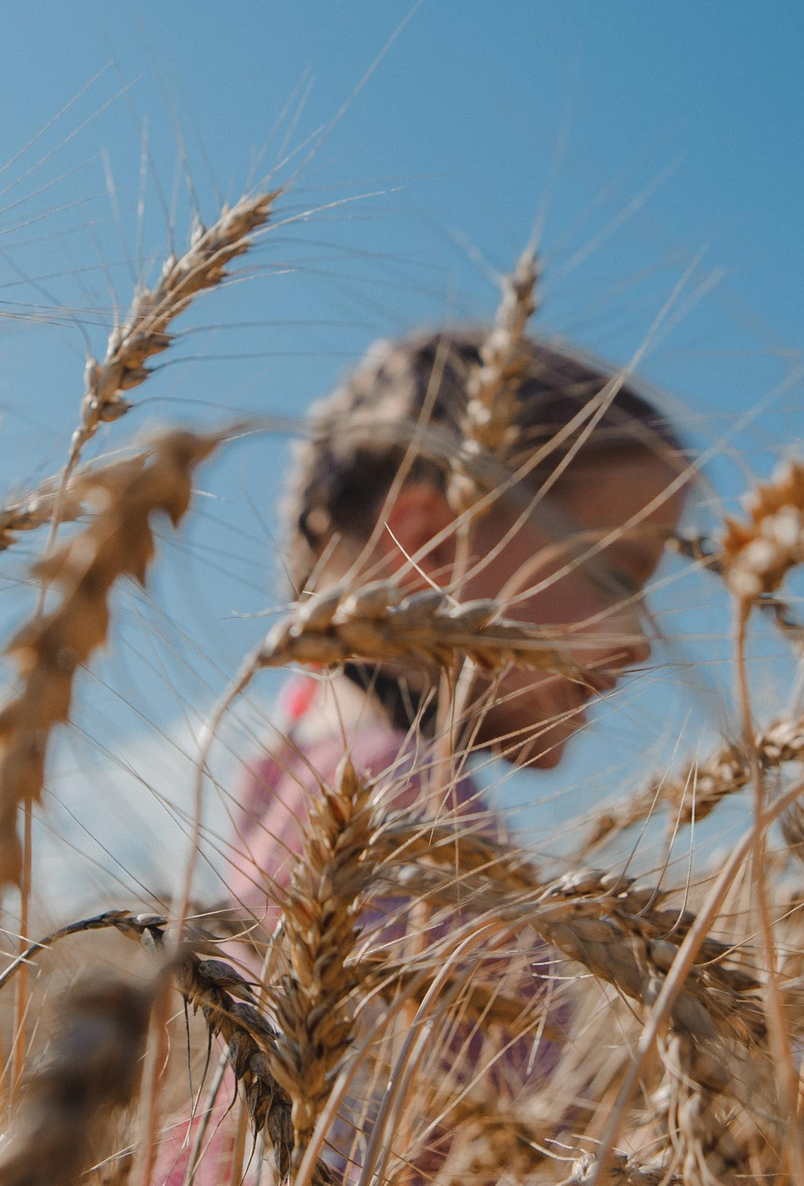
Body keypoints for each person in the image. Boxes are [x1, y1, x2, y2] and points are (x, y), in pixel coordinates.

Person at [167, 326, 694, 1186]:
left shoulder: (299, 757)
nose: (642, 644)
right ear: (432, 547)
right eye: (619, 574)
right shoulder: (398, 800)